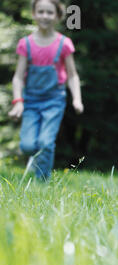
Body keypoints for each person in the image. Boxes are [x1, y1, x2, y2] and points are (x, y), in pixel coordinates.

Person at [9, 0, 84, 181]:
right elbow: (18, 77)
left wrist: (77, 99)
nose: (45, 16)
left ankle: (42, 182)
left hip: (54, 100)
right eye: (40, 12)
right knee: (27, 145)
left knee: (45, 143)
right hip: (31, 100)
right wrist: (18, 101)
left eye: (49, 13)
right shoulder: (25, 44)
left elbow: (72, 75)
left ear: (58, 16)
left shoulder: (64, 44)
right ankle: (36, 163)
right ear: (34, 14)